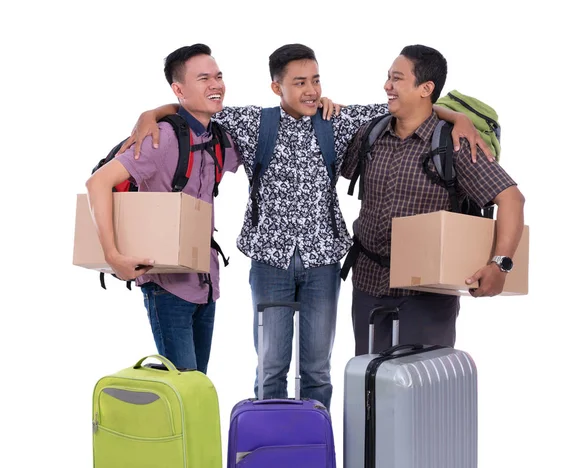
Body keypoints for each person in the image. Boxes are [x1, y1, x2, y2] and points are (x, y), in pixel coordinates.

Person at [116, 43, 488, 410]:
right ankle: (271, 445)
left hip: (322, 261)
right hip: (269, 262)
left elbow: (410, 107)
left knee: (317, 370)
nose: (311, 91)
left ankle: (313, 443)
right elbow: (195, 108)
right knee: (271, 368)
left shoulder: (336, 121)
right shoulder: (252, 123)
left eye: (315, 81)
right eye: (299, 83)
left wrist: (459, 118)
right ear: (277, 87)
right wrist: (152, 113)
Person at [340, 44, 526, 356]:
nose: (387, 85)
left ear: (426, 88)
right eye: (388, 77)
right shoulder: (370, 133)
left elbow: (511, 199)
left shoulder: (454, 145)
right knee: (367, 385)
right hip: (368, 286)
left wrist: (500, 264)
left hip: (426, 294)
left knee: (421, 392)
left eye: (397, 78)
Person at [85, 43, 242, 374]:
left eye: (219, 76)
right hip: (166, 287)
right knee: (182, 389)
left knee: (196, 385)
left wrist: (154, 110)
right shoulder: (162, 138)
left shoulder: (220, 137)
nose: (216, 84)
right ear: (179, 89)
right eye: (204, 78)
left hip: (206, 283)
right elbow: (97, 183)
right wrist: (113, 257)